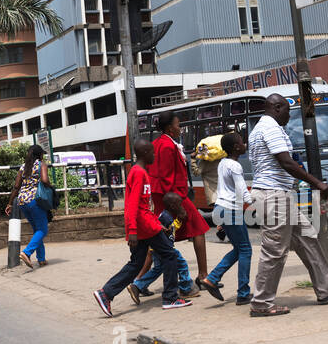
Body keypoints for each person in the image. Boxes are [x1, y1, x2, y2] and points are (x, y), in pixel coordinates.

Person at [249, 93, 328, 317]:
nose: (289, 115)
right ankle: (261, 303)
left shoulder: (261, 128)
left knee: (307, 238)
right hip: (273, 196)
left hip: (279, 195)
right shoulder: (270, 128)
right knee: (274, 251)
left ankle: (326, 288)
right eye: (286, 110)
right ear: (276, 107)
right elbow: (286, 162)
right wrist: (317, 183)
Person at [94, 139, 192, 315]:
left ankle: (106, 293)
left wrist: (157, 224)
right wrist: (132, 231)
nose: (155, 155)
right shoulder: (138, 173)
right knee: (170, 255)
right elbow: (132, 206)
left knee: (136, 263)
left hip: (146, 226)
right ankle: (170, 297)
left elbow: (143, 207)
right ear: (145, 154)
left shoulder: (139, 172)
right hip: (142, 228)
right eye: (153, 153)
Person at [145, 111, 222, 300]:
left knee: (159, 240)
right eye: (178, 125)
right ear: (170, 128)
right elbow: (165, 176)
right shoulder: (166, 146)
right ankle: (202, 276)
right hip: (173, 196)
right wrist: (176, 205)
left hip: (170, 195)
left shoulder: (163, 143)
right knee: (196, 230)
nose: (181, 129)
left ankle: (139, 281)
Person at [204, 132, 254, 305]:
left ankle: (212, 278)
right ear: (235, 147)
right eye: (241, 142)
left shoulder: (223, 163)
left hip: (220, 208)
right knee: (246, 250)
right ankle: (243, 293)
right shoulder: (235, 165)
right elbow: (242, 191)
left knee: (239, 249)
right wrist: (255, 199)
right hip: (231, 210)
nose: (244, 144)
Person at [6, 144, 52, 268]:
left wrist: (10, 203)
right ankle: (26, 252)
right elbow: (45, 180)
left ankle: (41, 259)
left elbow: (16, 187)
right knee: (43, 230)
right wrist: (52, 188)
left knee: (37, 229)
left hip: (22, 201)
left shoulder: (23, 167)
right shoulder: (41, 165)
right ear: (40, 154)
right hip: (35, 200)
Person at [193, 134, 227, 207]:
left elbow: (196, 173)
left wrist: (193, 160)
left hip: (214, 196)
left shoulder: (204, 162)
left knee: (220, 215)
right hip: (224, 193)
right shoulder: (221, 158)